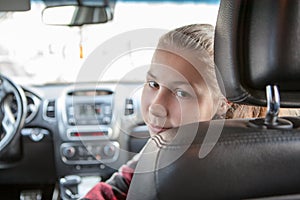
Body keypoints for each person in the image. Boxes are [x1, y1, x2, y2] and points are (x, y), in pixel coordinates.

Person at [82, 23, 228, 200]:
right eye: (153, 84)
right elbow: (117, 188)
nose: (155, 108)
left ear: (223, 102)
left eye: (182, 93)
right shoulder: (163, 147)